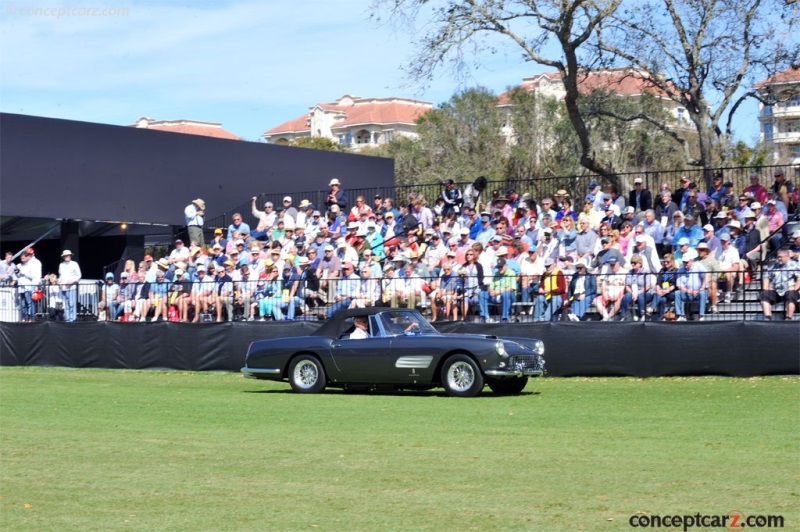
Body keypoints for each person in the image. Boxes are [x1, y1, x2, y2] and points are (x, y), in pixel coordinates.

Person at [759, 249, 799, 320]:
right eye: (778, 257)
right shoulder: (775, 265)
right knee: (764, 294)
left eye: (781, 257)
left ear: (787, 256)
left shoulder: (794, 265)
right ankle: (768, 317)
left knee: (791, 295)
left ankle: (788, 317)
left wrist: (795, 288)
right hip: (775, 289)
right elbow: (766, 276)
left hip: (788, 289)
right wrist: (766, 287)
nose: (779, 259)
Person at [675, 249, 708, 321]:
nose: (685, 264)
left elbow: (706, 275)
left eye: (687, 262)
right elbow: (679, 286)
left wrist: (702, 287)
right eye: (684, 262)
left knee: (703, 293)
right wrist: (689, 291)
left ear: (691, 261)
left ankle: (701, 315)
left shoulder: (698, 266)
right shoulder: (680, 270)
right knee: (677, 293)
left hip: (698, 291)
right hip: (687, 292)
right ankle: (680, 315)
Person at [594, 256, 628, 321]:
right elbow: (603, 286)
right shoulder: (607, 272)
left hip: (619, 295)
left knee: (622, 298)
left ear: (618, 264)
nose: (612, 267)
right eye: (611, 265)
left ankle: (609, 316)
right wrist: (605, 295)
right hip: (607, 295)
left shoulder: (624, 272)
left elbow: (625, 287)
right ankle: (606, 316)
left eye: (613, 265)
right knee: (596, 300)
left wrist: (617, 295)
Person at [533, 257, 566, 322]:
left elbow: (562, 288)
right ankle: (536, 319)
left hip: (557, 298)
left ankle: (545, 319)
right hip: (547, 298)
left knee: (556, 299)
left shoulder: (559, 273)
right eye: (546, 266)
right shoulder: (544, 274)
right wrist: (540, 289)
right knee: (539, 298)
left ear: (554, 264)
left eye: (549, 266)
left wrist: (550, 290)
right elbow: (541, 286)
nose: (547, 268)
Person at [58, 250, 81, 322]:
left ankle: (72, 319)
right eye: (65, 255)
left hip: (72, 287)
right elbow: (61, 275)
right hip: (64, 287)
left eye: (68, 255)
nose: (67, 257)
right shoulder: (61, 265)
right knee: (66, 304)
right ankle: (67, 319)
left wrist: (72, 281)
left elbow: (79, 275)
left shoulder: (74, 264)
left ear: (70, 256)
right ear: (63, 257)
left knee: (72, 304)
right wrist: (59, 282)